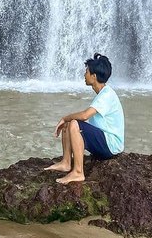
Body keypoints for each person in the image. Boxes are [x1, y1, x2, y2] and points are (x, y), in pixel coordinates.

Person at [45, 53, 124, 184]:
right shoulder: (103, 94)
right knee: (71, 123)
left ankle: (78, 172)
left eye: (86, 71)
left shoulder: (107, 95)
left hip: (111, 146)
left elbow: (85, 115)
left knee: (74, 122)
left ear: (94, 76)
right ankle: (66, 162)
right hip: (103, 143)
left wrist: (65, 118)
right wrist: (67, 121)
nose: (84, 74)